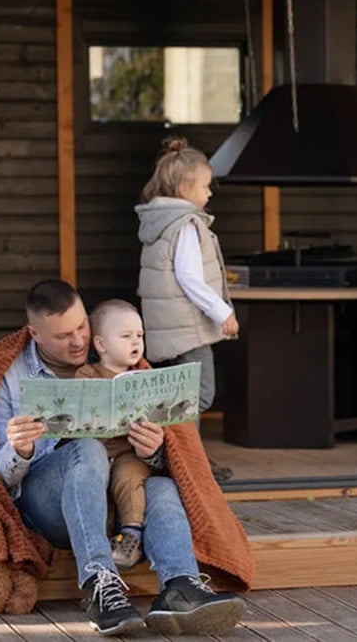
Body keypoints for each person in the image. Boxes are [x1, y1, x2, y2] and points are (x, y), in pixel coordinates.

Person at [0, 279, 253, 637]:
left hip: (117, 505)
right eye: (63, 335)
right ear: (35, 333)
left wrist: (152, 449)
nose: (78, 341)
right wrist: (19, 450)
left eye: (81, 327)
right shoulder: (6, 374)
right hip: (47, 506)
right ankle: (99, 584)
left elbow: (175, 455)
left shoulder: (112, 353)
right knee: (87, 446)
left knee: (163, 486)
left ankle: (180, 585)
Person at [135, 136, 238, 481]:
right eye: (205, 187)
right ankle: (182, 460)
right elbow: (191, 279)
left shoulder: (158, 222)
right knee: (198, 395)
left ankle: (187, 459)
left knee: (185, 395)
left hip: (172, 324)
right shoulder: (186, 225)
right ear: (183, 188)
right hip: (188, 327)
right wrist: (222, 312)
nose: (209, 194)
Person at [74, 299, 152, 571]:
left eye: (140, 336)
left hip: (128, 452)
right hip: (95, 453)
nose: (136, 342)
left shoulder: (143, 375)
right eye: (126, 336)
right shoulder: (88, 373)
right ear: (101, 344)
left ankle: (132, 535)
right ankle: (100, 543)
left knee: (129, 477)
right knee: (95, 485)